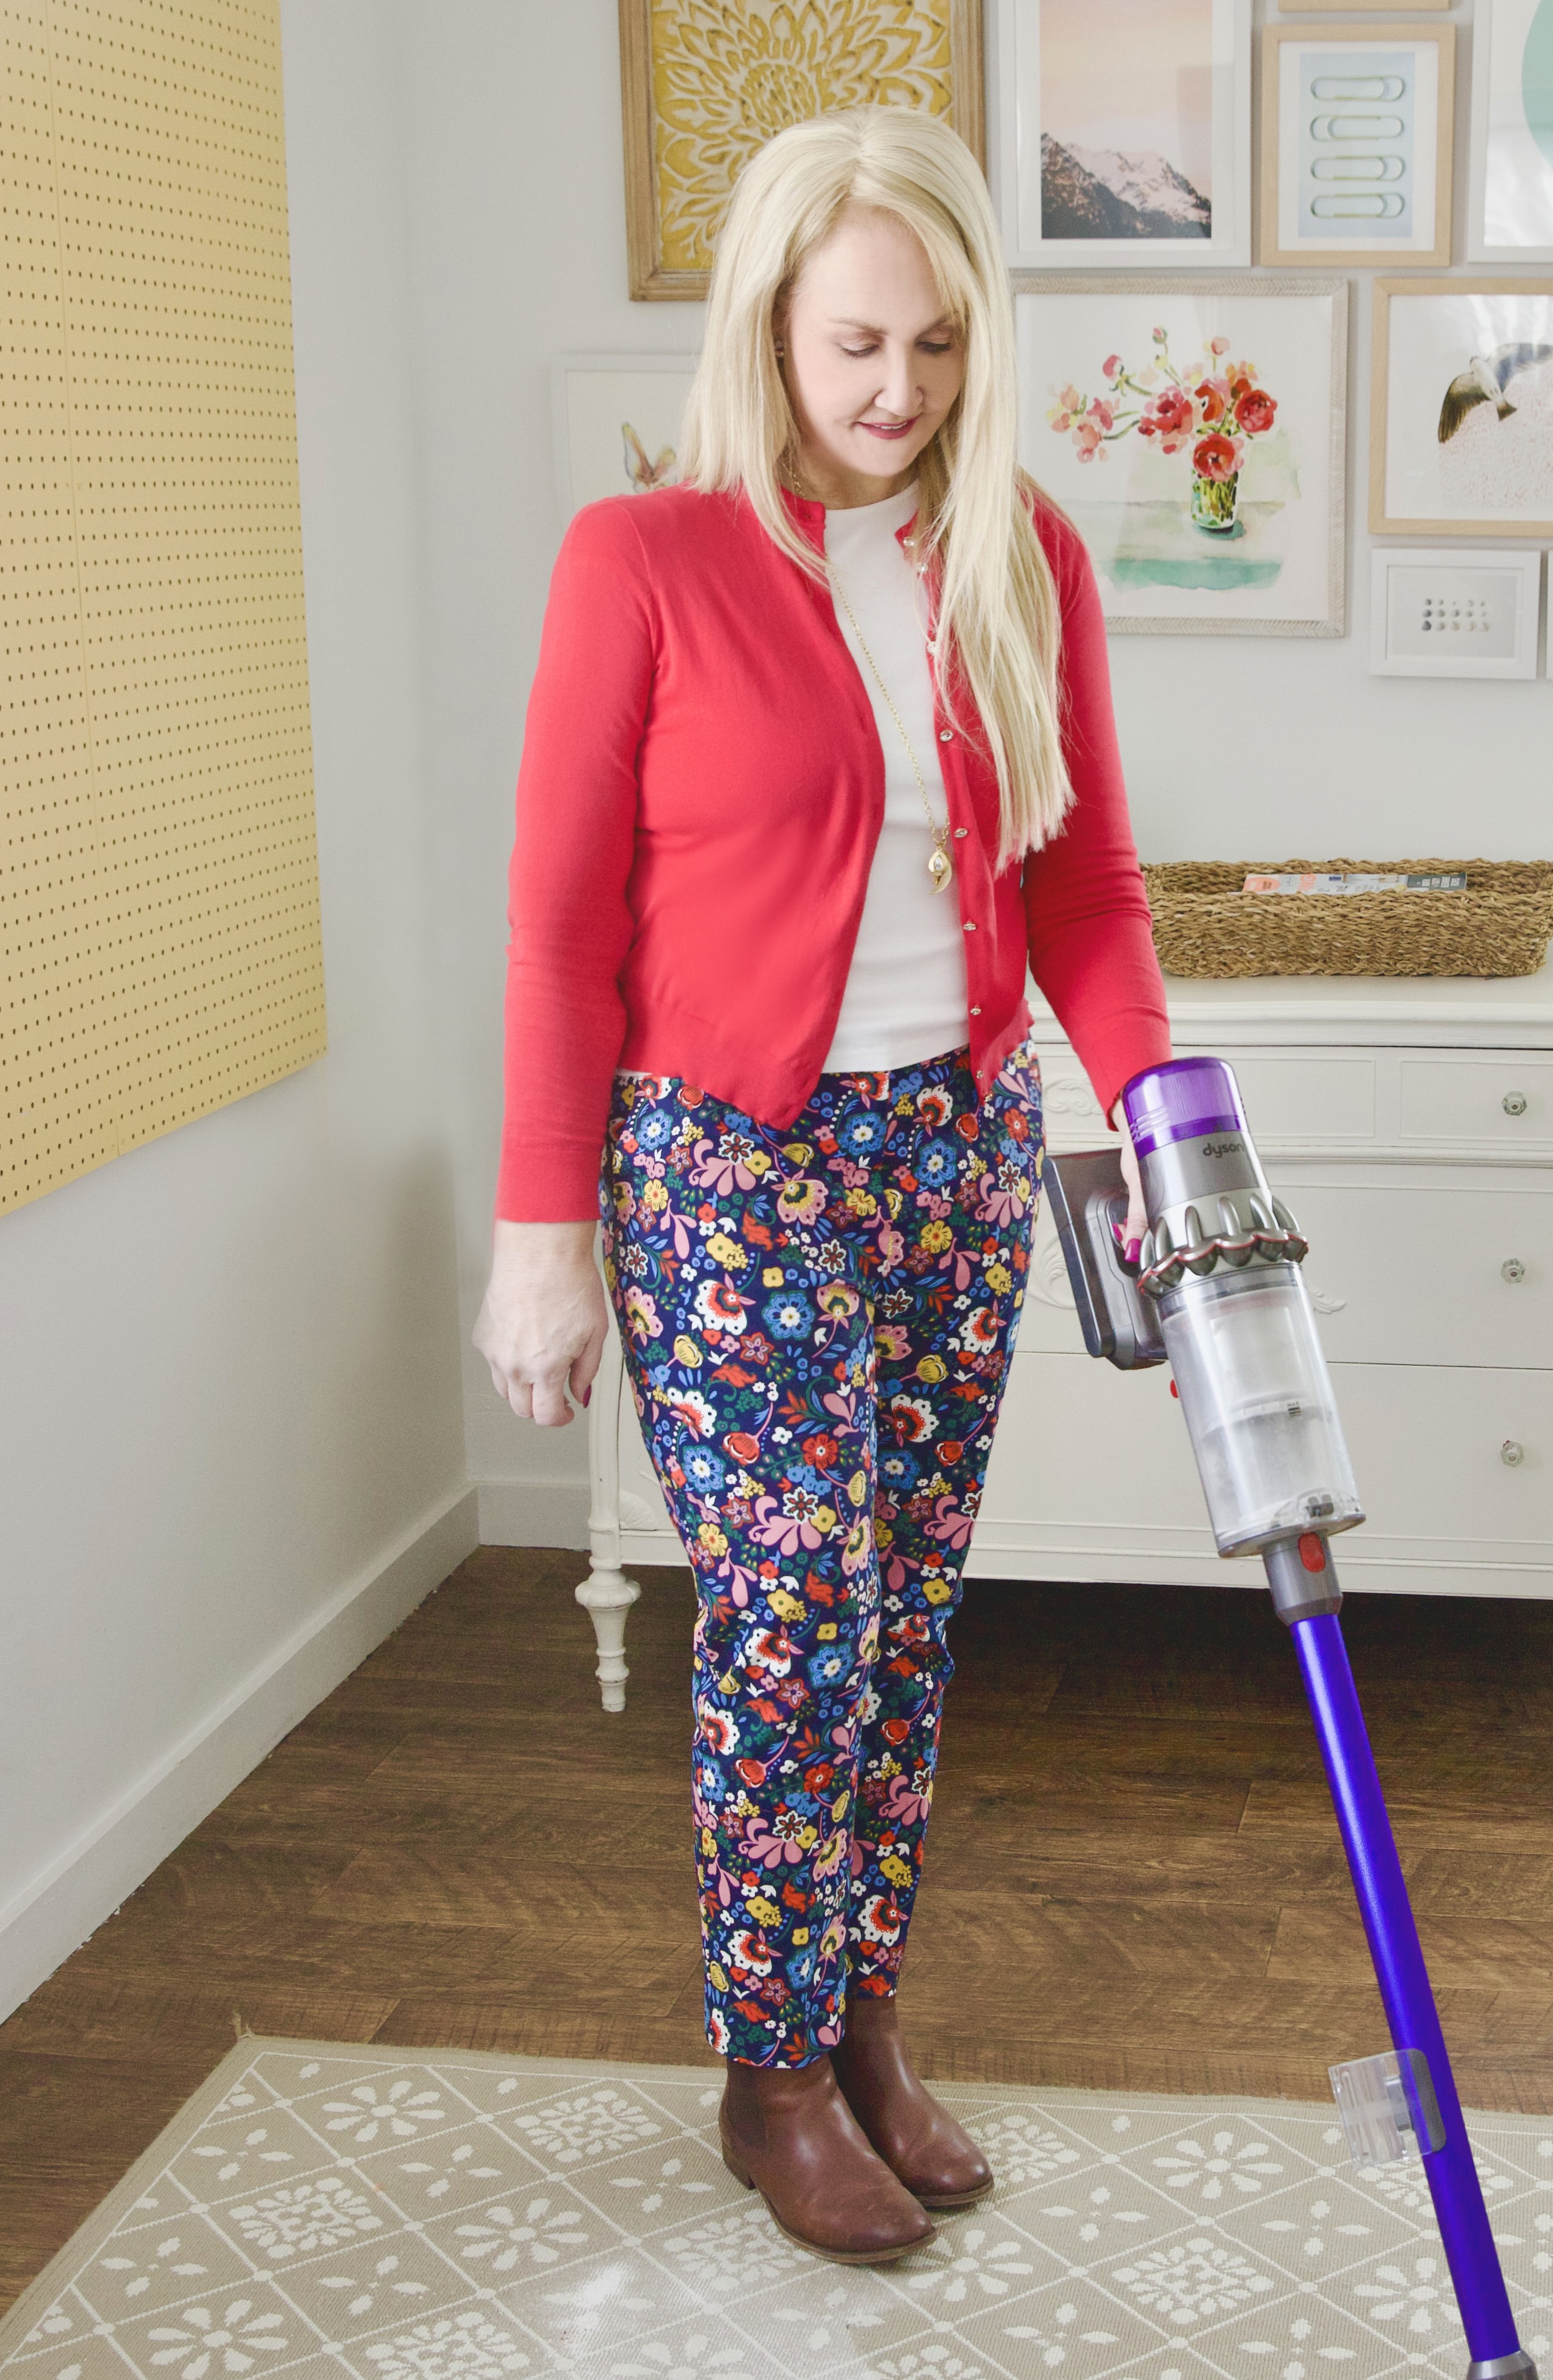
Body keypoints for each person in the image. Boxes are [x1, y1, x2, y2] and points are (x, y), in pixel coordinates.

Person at [472, 111, 1170, 2264]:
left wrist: (1162, 1121)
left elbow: (1089, 895)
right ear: (765, 323)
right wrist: (538, 1240)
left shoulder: (1018, 554)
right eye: (856, 341)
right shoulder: (643, 561)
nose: (897, 390)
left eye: (941, 344)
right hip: (723, 1159)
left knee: (901, 1621)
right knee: (792, 1628)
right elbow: (555, 921)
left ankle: (862, 2020)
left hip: (948, 1153)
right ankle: (767, 2072)